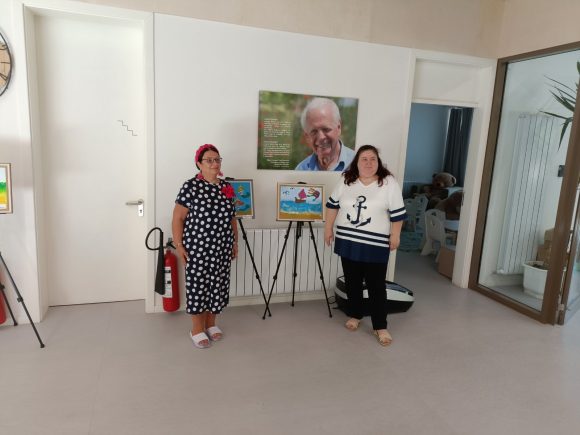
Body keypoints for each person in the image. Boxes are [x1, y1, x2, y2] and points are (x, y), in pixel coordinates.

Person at [324, 145, 406, 346]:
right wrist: (328, 228)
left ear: (378, 162)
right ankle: (355, 315)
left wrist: (395, 235)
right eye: (364, 159)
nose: (369, 163)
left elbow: (397, 213)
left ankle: (380, 326)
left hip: (375, 244)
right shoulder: (346, 180)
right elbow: (332, 206)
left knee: (376, 286)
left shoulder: (388, 183)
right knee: (352, 282)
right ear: (357, 162)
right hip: (348, 240)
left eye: (373, 159)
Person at [172, 144, 238, 349]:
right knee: (198, 287)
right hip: (197, 249)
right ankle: (197, 329)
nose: (214, 163)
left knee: (218, 286)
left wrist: (235, 242)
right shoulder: (190, 187)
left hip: (222, 247)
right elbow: (178, 218)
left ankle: (211, 324)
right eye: (209, 160)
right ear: (199, 163)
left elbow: (232, 218)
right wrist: (179, 245)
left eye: (217, 159)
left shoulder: (226, 187)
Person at [295, 97, 355, 171]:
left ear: (339, 128)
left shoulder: (357, 163)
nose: (321, 137)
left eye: (326, 129)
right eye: (314, 131)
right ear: (307, 136)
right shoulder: (301, 169)